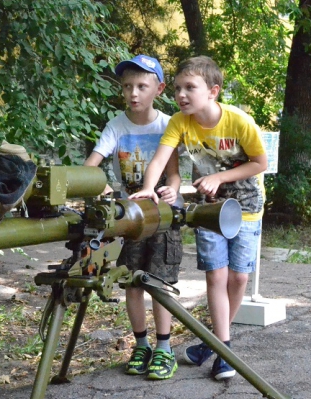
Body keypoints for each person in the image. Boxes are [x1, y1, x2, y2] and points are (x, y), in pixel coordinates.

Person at [130, 56, 267, 381]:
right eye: (178, 88)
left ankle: (213, 342)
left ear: (213, 91)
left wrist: (219, 177)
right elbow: (161, 159)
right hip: (208, 212)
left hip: (247, 208)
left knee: (239, 280)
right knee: (216, 279)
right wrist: (149, 188)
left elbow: (259, 163)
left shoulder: (238, 122)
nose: (181, 94)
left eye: (190, 87)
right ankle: (224, 352)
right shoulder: (180, 121)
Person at [84, 54, 183, 381]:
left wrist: (170, 191)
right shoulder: (116, 125)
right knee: (131, 282)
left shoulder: (168, 124)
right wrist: (97, 188)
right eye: (127, 87)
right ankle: (141, 345)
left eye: (142, 86)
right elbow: (91, 166)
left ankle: (164, 348)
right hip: (129, 218)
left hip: (162, 217)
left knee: (159, 282)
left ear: (159, 88)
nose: (134, 93)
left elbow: (174, 175)